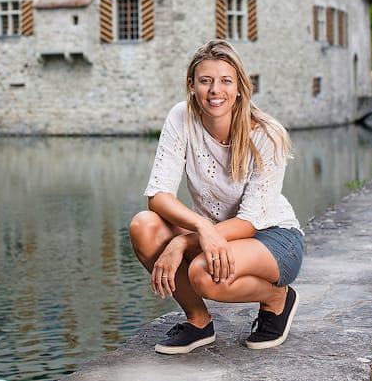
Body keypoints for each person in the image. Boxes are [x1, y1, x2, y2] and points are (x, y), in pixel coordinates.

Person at [129, 39, 304, 354]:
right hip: (212, 232)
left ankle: (277, 298)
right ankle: (198, 323)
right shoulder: (181, 117)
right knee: (144, 226)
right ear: (192, 85)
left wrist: (183, 241)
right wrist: (202, 228)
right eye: (206, 81)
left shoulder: (266, 134)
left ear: (239, 87)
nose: (215, 90)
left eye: (225, 81)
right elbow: (157, 196)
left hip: (273, 238)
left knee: (202, 274)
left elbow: (249, 222)